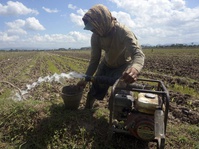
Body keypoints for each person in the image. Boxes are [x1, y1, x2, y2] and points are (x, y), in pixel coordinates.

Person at [77, 4, 145, 109]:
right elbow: (95, 60)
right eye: (91, 29)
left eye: (94, 27)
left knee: (119, 97)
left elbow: (138, 54)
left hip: (122, 66)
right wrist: (86, 79)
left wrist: (135, 68)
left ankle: (117, 119)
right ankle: (87, 110)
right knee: (94, 90)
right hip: (106, 64)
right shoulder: (96, 37)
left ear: (102, 22)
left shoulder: (124, 32)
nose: (93, 31)